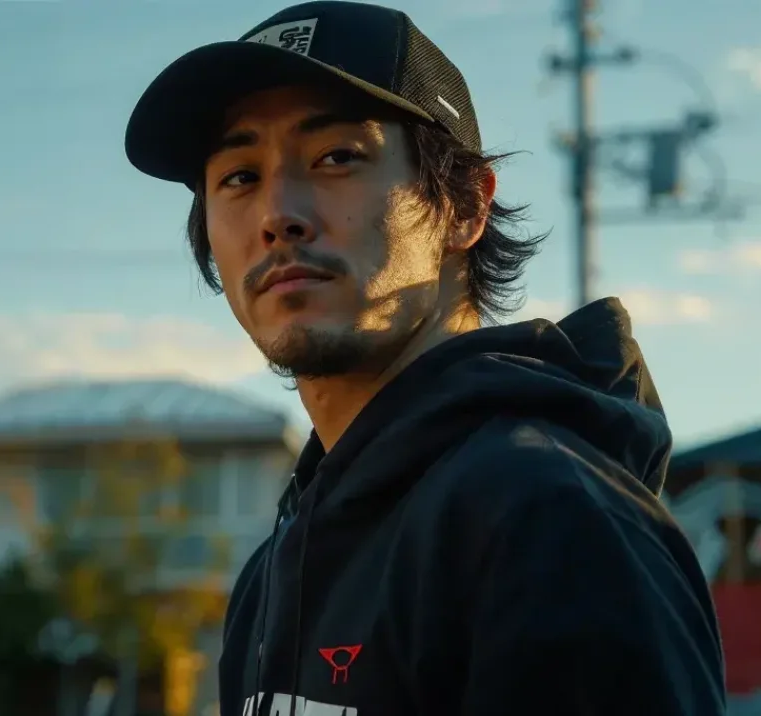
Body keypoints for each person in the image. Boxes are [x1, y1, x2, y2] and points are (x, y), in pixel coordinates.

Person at [124, 2, 727, 714]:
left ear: (464, 205)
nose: (276, 213)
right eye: (238, 177)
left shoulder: (551, 522)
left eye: (337, 157)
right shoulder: (277, 566)